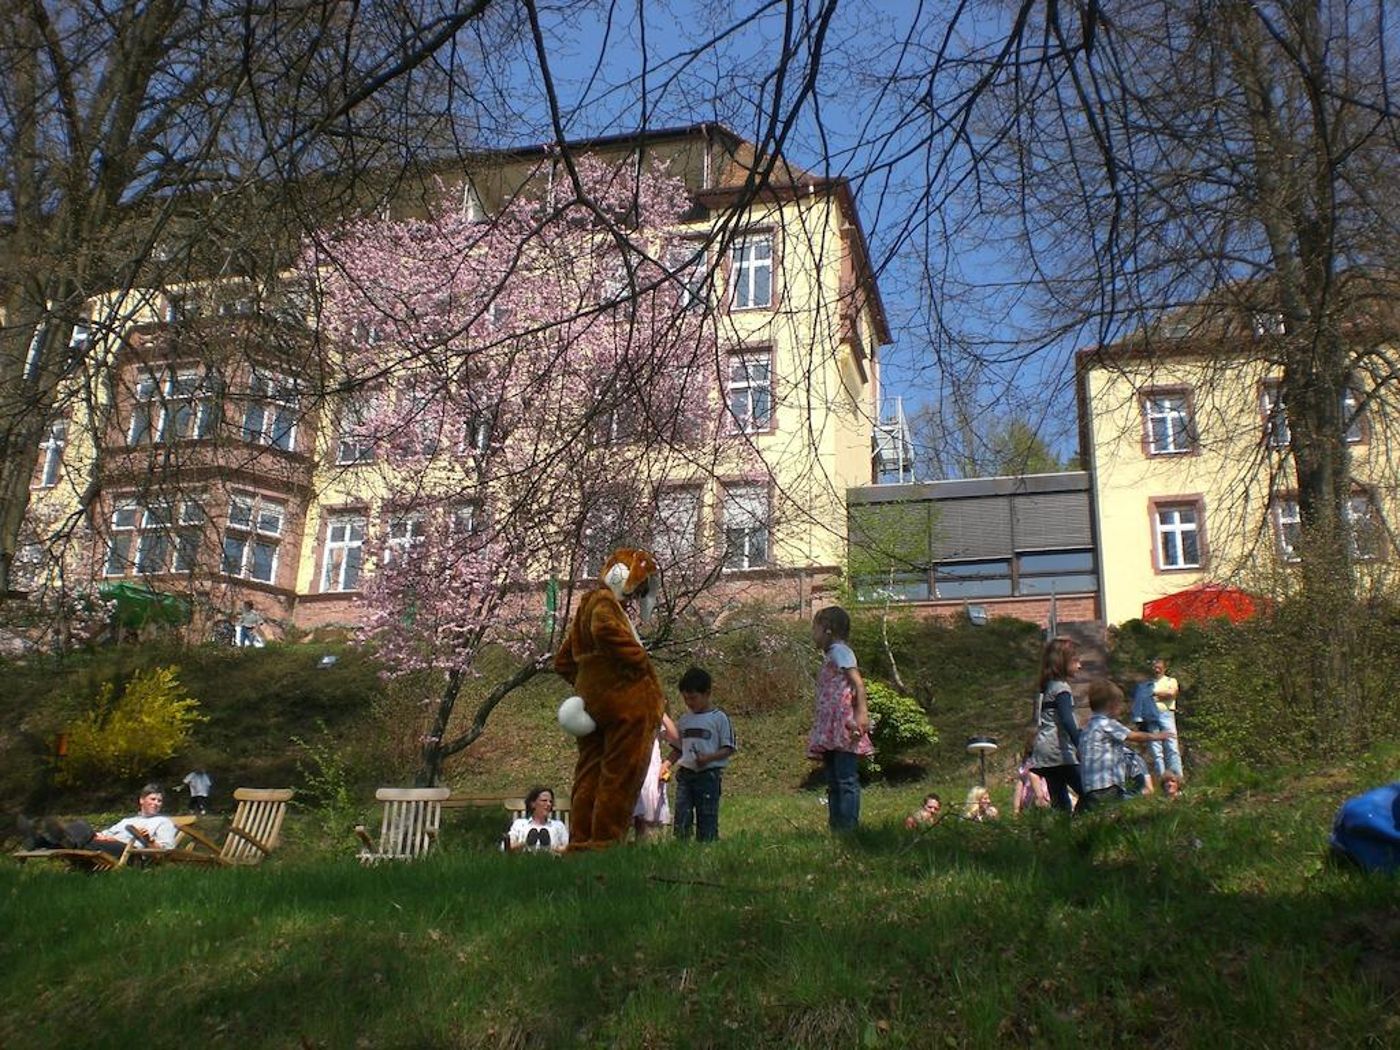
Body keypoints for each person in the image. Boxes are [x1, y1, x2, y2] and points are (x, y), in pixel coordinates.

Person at [554, 548, 666, 851]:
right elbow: (604, 629)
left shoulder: (587, 604)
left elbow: (562, 661)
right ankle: (605, 839)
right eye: (638, 588)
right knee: (620, 772)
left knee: (589, 771)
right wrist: (636, 661)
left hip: (593, 705)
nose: (636, 597)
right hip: (627, 705)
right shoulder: (605, 603)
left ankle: (581, 840)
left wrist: (589, 684)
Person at [807, 605, 873, 831]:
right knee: (834, 780)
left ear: (828, 629)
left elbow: (858, 683)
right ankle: (836, 827)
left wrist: (862, 713)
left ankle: (848, 828)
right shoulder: (831, 655)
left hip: (843, 725)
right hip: (831, 728)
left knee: (845, 779)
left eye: (815, 628)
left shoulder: (840, 651)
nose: (813, 634)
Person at [1077, 680, 1175, 810]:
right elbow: (1134, 736)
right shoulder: (1107, 724)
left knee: (1099, 813)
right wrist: (1157, 736)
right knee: (1115, 808)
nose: (1121, 710)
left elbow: (1079, 754)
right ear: (1111, 706)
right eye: (1119, 706)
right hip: (1108, 784)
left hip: (1090, 788)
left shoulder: (1087, 729)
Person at [669, 667, 737, 842]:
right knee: (682, 812)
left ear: (707, 693)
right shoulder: (684, 720)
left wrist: (708, 759)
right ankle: (681, 843)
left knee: (707, 813)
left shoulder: (719, 718)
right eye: (686, 699)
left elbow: (728, 748)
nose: (689, 703)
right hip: (686, 775)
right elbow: (678, 748)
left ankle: (707, 843)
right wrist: (667, 764)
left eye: (693, 698)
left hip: (708, 775)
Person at [23, 783, 179, 859]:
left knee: (83, 834)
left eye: (159, 801)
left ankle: (42, 841)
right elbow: (105, 833)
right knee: (83, 827)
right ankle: (41, 840)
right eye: (153, 799)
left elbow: (166, 851)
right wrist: (101, 835)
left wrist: (149, 840)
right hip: (105, 844)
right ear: (141, 800)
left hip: (130, 852)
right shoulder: (127, 820)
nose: (156, 803)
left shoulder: (163, 821)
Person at [1029, 636, 1083, 813]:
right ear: (1063, 662)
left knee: (1060, 803)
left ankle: (1063, 827)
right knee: (1089, 793)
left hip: (1044, 752)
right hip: (1059, 752)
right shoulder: (1062, 688)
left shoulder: (1047, 687)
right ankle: (1084, 825)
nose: (1080, 665)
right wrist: (1080, 744)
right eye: (1076, 661)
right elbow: (1067, 720)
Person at [633, 713, 679, 841]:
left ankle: (645, 846)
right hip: (628, 770)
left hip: (649, 772)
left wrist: (661, 712)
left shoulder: (654, 717)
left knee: (647, 819)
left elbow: (677, 741)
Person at [1148, 657, 1185, 778]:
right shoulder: (1148, 684)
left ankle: (1177, 778)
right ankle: (1162, 779)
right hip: (1151, 715)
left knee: (1172, 746)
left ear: (1164, 668)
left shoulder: (1171, 681)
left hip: (1166, 714)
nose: (1157, 669)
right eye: (1155, 667)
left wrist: (1154, 694)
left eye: (1159, 667)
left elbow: (1171, 694)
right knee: (1156, 750)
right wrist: (1161, 695)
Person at [504, 786, 569, 853]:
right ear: (533, 804)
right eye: (544, 801)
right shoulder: (520, 824)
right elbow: (506, 847)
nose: (548, 804)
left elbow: (569, 849)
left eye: (550, 802)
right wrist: (524, 843)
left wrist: (552, 848)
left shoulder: (558, 825)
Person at [1012, 747, 1051, 815]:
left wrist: (1016, 809)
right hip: (1039, 796)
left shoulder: (1026, 766)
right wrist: (1039, 796)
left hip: (1031, 797)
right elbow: (1030, 777)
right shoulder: (1036, 763)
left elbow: (1019, 786)